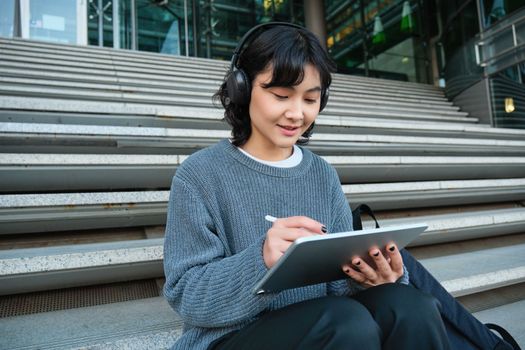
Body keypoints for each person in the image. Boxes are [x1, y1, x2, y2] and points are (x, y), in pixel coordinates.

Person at [163, 22, 450, 350]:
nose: (296, 114)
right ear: (241, 88)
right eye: (281, 96)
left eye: (310, 100)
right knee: (344, 322)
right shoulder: (199, 175)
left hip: (325, 322)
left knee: (412, 306)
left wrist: (378, 277)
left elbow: (341, 288)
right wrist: (261, 260)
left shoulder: (322, 174)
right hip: (229, 339)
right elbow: (186, 293)